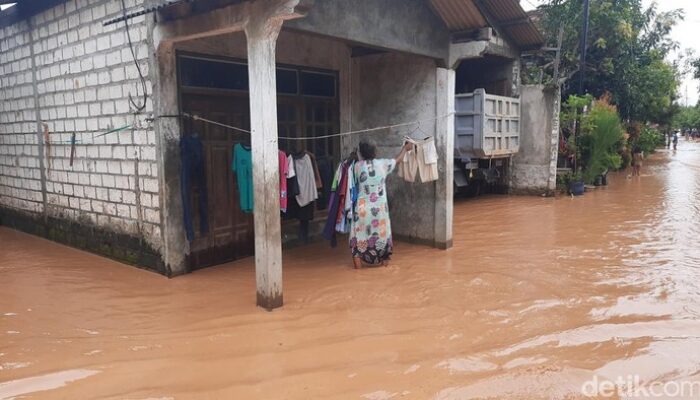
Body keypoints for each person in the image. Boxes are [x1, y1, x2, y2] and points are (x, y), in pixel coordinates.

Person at [349, 141, 412, 269]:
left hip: (362, 210)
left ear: (361, 154)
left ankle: (358, 269)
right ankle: (384, 266)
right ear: (375, 152)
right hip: (380, 211)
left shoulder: (356, 167)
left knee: (359, 237)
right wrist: (405, 148)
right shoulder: (383, 164)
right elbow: (397, 160)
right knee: (382, 237)